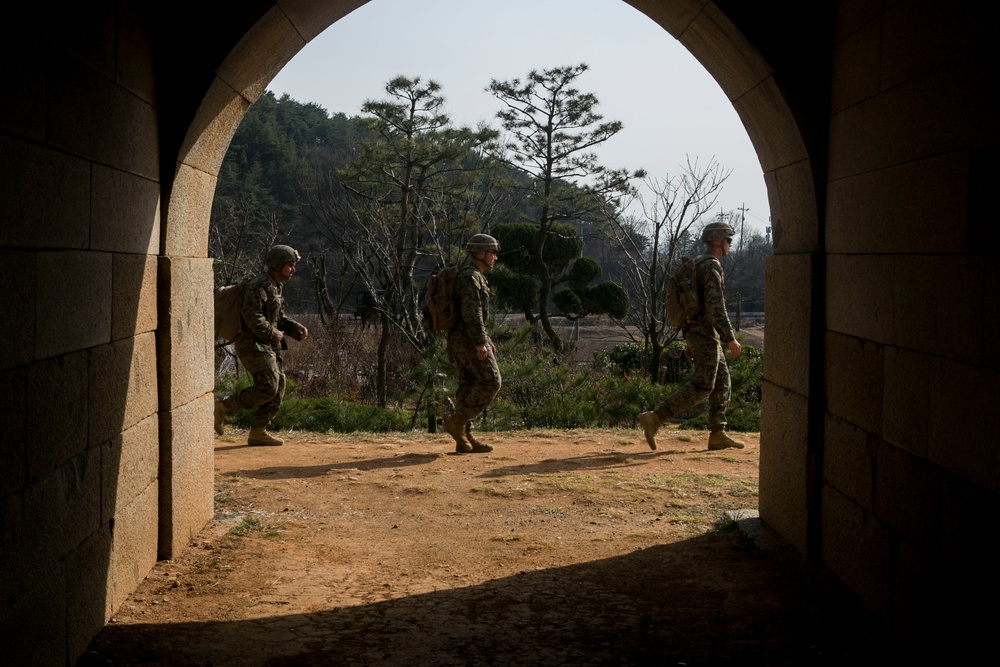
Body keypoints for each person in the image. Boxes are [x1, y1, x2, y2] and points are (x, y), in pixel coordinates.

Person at [638, 221, 745, 451]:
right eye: (728, 240)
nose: (730, 244)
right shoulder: (711, 267)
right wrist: (730, 338)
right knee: (704, 384)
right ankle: (655, 417)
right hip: (706, 333)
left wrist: (689, 338)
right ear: (717, 241)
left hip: (699, 332)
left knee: (722, 382)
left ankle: (718, 434)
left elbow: (691, 306)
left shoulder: (697, 264)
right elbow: (716, 307)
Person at [215, 245, 309, 446]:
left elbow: (277, 317)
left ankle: (258, 432)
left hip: (266, 345)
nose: (293, 270)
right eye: (290, 265)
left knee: (278, 386)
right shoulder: (259, 285)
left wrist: (294, 328)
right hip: (251, 344)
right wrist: (271, 333)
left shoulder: (275, 285)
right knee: (268, 386)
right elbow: (251, 315)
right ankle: (223, 406)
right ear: (277, 265)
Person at [443, 234, 503, 454]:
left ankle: (464, 437)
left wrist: (486, 339)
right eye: (492, 252)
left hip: (461, 339)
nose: (495, 257)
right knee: (492, 381)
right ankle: (457, 423)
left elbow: (474, 315)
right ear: (480, 253)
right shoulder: (470, 277)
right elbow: (472, 314)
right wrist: (480, 342)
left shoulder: (473, 276)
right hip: (467, 339)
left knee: (467, 385)